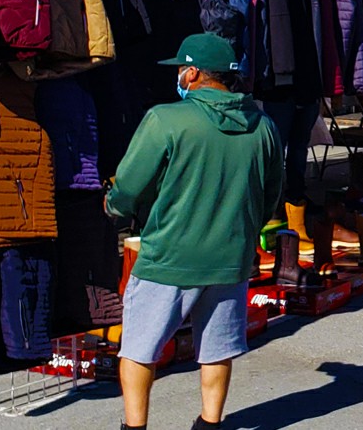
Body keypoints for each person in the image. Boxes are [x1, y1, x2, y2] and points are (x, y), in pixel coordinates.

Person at [106, 34, 284, 430]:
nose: (179, 78)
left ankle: (134, 427)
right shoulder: (264, 127)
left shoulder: (165, 119)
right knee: (217, 348)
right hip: (230, 259)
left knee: (138, 348)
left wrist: (114, 205)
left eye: (181, 71)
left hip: (170, 257)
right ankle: (210, 423)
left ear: (193, 73)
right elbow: (270, 195)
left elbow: (129, 186)